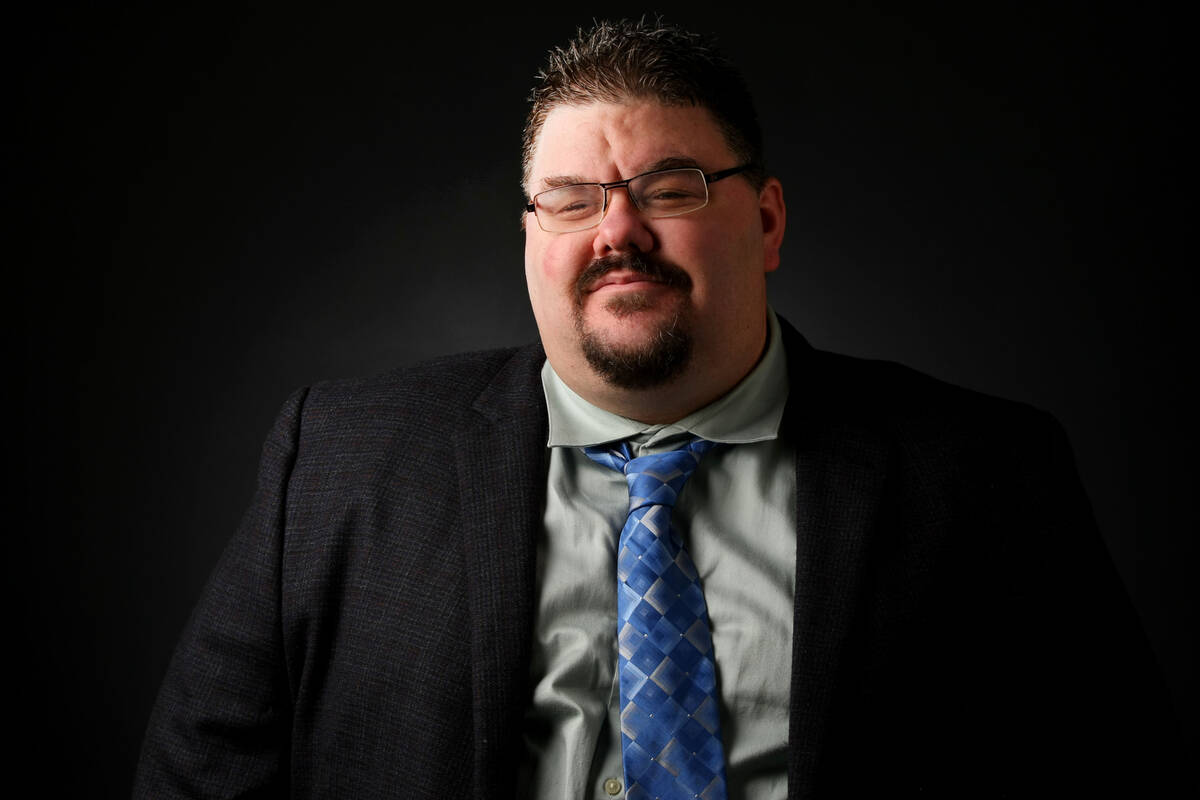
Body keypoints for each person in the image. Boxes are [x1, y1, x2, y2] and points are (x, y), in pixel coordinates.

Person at [134, 18, 1186, 799]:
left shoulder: (987, 473)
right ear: (531, 232)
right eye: (572, 199)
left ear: (765, 219)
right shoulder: (336, 460)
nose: (618, 231)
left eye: (672, 186)